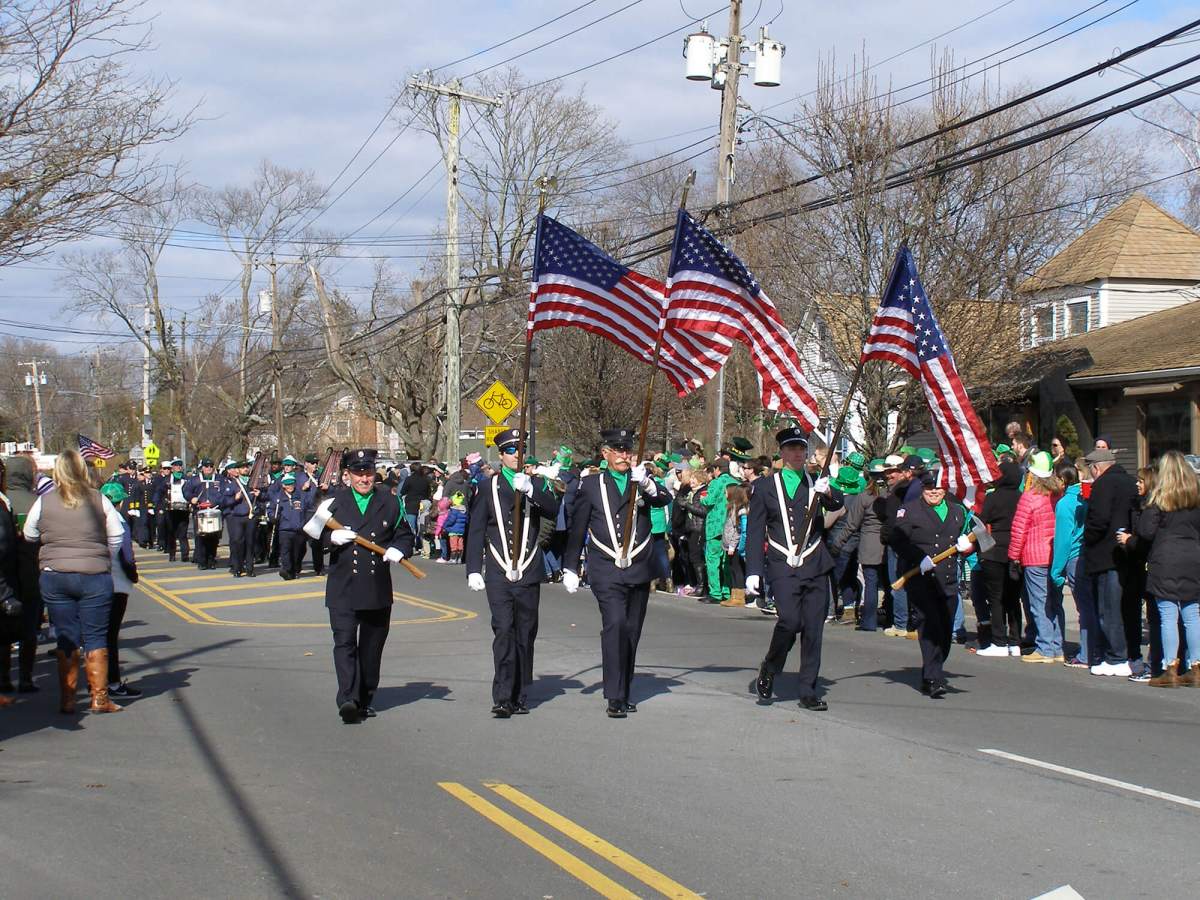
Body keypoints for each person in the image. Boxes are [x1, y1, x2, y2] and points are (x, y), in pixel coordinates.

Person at [562, 427, 673, 718]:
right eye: (618, 450)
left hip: (638, 566)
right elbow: (577, 528)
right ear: (606, 454)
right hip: (606, 567)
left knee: (632, 632)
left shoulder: (642, 481)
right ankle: (613, 695)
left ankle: (624, 689)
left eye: (628, 450)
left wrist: (648, 484)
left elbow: (664, 499)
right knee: (616, 625)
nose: (624, 456)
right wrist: (570, 566)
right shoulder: (591, 485)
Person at [303, 448, 414, 724]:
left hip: (376, 587)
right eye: (358, 473)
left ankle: (364, 696)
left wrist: (399, 550)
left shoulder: (389, 502)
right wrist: (331, 539)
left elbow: (404, 536)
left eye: (368, 473)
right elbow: (312, 536)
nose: (364, 478)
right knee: (344, 643)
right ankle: (348, 698)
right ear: (347, 475)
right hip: (343, 587)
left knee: (371, 649)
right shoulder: (333, 503)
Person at [464, 428, 561, 717]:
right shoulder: (486, 486)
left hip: (529, 567)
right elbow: (477, 528)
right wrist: (473, 568)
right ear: (501, 455)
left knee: (525, 632)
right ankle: (503, 695)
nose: (516, 455)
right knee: (504, 629)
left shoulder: (535, 484)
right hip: (498, 568)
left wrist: (532, 490)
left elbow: (554, 509)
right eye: (510, 451)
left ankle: (521, 691)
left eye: (519, 450)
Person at [746, 426, 843, 711]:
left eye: (801, 448)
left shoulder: (816, 481)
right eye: (791, 449)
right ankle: (771, 665)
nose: (797, 454)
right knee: (789, 621)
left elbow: (838, 502)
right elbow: (755, 531)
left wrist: (826, 492)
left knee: (813, 629)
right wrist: (754, 570)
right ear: (782, 453)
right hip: (782, 563)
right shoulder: (764, 486)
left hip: (814, 561)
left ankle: (808, 690)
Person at [23, 450, 126, 713]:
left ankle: (68, 699)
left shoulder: (44, 501)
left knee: (66, 635)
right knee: (95, 635)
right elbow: (117, 534)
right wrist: (103, 557)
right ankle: (99, 698)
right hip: (94, 575)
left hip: (55, 574)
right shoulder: (98, 499)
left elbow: (29, 533)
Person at [890, 470, 975, 698]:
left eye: (937, 488)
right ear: (923, 489)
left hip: (947, 581)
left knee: (946, 631)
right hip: (921, 579)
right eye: (929, 488)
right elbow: (895, 539)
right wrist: (918, 558)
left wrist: (968, 546)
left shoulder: (957, 512)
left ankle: (933, 667)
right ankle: (933, 678)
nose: (934, 492)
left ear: (945, 489)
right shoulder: (909, 511)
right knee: (929, 626)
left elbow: (975, 540)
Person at [1125, 451, 1200, 687]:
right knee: (1192, 614)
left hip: (1166, 559)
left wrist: (1129, 540)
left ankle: (1170, 668)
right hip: (1193, 558)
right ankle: (1196, 666)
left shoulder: (1159, 500)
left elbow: (1146, 532)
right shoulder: (1195, 498)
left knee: (1168, 614)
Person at [1081, 447, 1138, 677]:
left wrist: (1089, 537)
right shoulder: (1130, 481)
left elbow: (1099, 519)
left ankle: (1116, 656)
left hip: (1105, 555)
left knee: (1108, 609)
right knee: (1123, 608)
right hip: (1127, 553)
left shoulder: (1103, 485)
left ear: (1096, 467)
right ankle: (1125, 653)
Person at [1008, 452, 1064, 663]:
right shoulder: (1057, 494)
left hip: (1034, 556)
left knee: (1039, 604)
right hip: (1055, 554)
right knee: (1055, 602)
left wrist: (1014, 556)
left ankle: (1045, 648)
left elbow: (1019, 529)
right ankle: (1057, 648)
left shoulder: (1029, 497)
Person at [0, 455, 43, 694]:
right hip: (30, 574)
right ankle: (26, 678)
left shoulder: (3, 501)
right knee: (29, 630)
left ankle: (4, 677)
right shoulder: (37, 503)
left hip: (5, 579)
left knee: (4, 632)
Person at [975, 461, 1023, 657]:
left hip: (994, 551)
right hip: (1017, 552)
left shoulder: (992, 497)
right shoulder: (1022, 498)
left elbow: (980, 521)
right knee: (1013, 598)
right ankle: (1016, 641)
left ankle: (999, 641)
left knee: (996, 598)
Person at [98, 481, 141, 698]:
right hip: (115, 583)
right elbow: (126, 555)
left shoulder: (94, 520)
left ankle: (96, 681)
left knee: (96, 636)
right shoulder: (119, 521)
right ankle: (112, 682)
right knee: (110, 636)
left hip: (95, 581)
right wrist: (133, 575)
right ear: (120, 501)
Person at [1051, 464, 1092, 668]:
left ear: (1062, 479)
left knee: (1084, 608)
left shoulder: (1065, 503)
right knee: (1091, 606)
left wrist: (1056, 570)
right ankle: (1093, 648)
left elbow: (1063, 541)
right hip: (1089, 555)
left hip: (1075, 558)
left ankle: (1087, 654)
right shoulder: (1085, 498)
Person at [881, 454, 923, 637]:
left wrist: (887, 536)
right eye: (887, 472)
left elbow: (895, 520)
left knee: (898, 582)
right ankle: (908, 622)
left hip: (900, 542)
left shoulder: (904, 492)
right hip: (903, 540)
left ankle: (901, 623)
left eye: (894, 471)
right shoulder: (908, 489)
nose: (889, 475)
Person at [185, 458, 223, 569]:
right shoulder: (195, 480)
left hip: (214, 510)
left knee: (214, 537)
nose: (209, 469)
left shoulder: (219, 479)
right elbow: (186, 490)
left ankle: (211, 559)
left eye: (211, 466)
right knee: (201, 536)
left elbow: (224, 491)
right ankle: (202, 561)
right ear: (202, 468)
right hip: (200, 511)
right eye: (206, 466)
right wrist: (191, 498)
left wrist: (217, 502)